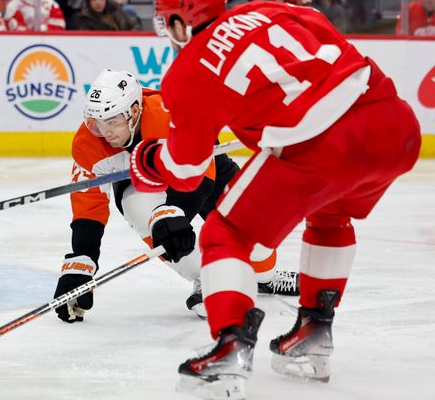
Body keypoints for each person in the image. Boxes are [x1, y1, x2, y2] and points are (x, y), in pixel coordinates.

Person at [131, 0, 420, 398]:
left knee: (225, 233)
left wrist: (148, 160)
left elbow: (187, 172)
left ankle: (229, 348)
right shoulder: (273, 9)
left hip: (324, 146)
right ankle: (314, 332)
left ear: (177, 21)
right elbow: (336, 55)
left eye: (166, 22)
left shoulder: (187, 71)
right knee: (329, 215)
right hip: (394, 123)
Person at [53, 69, 299, 323]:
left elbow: (204, 176)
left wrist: (175, 211)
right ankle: (208, 278)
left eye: (112, 121)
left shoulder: (171, 115)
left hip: (201, 169)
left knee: (255, 231)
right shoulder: (87, 143)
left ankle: (265, 278)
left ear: (134, 111)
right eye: (96, 123)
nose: (105, 132)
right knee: (139, 209)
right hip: (140, 183)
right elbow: (88, 206)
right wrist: (82, 262)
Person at [73, 0, 138, 32]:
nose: (98, 2)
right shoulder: (83, 18)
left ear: (106, 0)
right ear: (88, 2)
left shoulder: (113, 10)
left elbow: (134, 26)